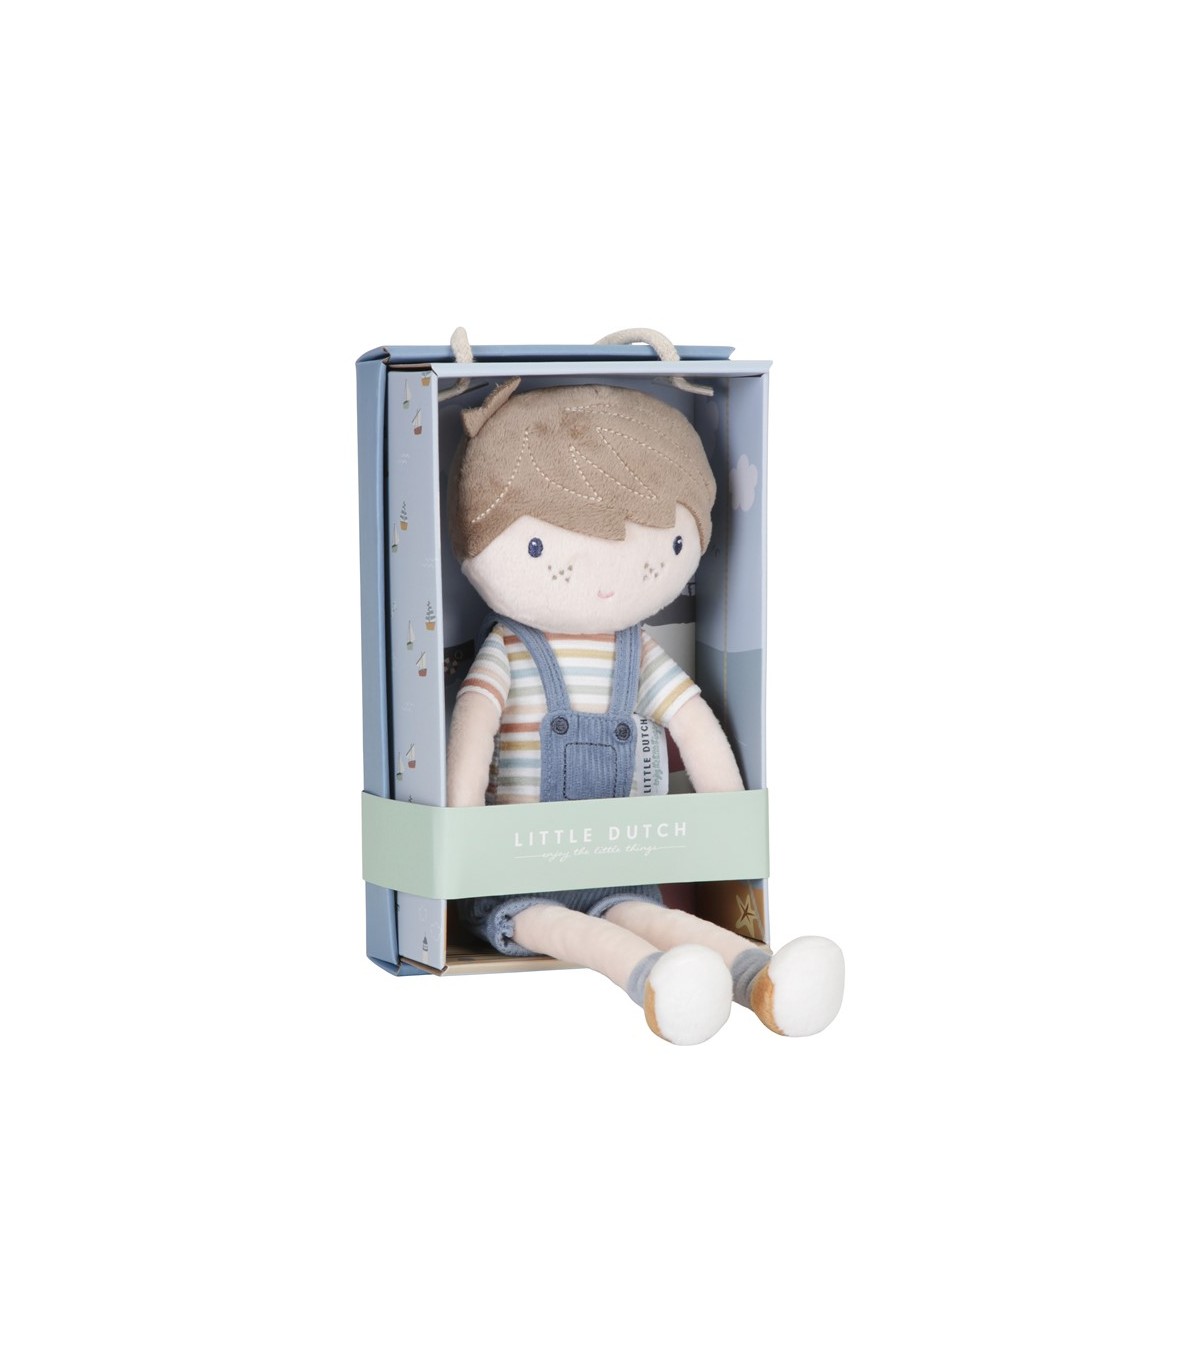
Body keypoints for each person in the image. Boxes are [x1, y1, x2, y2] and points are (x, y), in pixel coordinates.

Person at [446, 379, 843, 1044]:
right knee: (574, 932)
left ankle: (762, 978)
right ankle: (655, 984)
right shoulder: (510, 650)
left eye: (664, 548)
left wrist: (728, 820)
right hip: (516, 873)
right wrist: (462, 834)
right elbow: (473, 727)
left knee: (659, 920)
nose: (605, 580)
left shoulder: (639, 652)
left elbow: (692, 720)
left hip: (619, 863)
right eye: (542, 547)